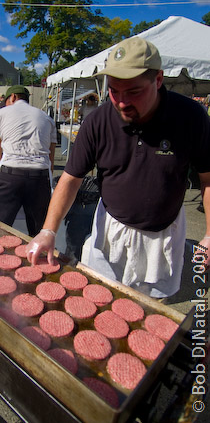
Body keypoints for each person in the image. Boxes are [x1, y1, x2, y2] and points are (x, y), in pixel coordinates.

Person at [27, 36, 210, 299]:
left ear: (158, 80)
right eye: (114, 90)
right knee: (99, 298)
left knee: (148, 306)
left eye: (134, 91)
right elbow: (70, 179)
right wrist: (48, 230)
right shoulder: (98, 122)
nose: (121, 102)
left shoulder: (190, 117)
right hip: (111, 230)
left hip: (162, 234)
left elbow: (207, 178)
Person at [0, 85, 57, 236]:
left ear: (12, 97)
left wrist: (1, 178)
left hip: (9, 175)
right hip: (40, 177)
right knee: (39, 233)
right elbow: (50, 161)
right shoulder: (47, 118)